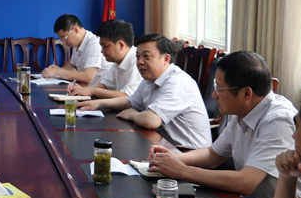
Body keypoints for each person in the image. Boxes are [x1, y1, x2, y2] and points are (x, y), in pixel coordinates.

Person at [146, 51, 301, 198]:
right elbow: (212, 155)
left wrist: (181, 171)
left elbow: (246, 182)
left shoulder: (279, 121)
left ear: (246, 94)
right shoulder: (243, 111)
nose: (214, 95)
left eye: (219, 89)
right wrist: (171, 159)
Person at [79, 33, 211, 149]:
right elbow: (130, 101)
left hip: (189, 153)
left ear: (166, 59)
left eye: (146, 56)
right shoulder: (150, 78)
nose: (140, 62)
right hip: (163, 144)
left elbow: (150, 120)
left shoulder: (177, 83)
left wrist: (133, 115)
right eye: (137, 56)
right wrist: (99, 103)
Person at [68, 19, 142, 99]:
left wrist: (93, 91)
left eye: (105, 46)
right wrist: (83, 90)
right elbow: (105, 84)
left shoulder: (137, 61)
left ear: (121, 45)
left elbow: (128, 96)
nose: (102, 51)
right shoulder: (117, 61)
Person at [41, 14, 109, 85]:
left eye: (64, 38)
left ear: (76, 30)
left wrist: (58, 71)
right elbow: (72, 66)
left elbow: (88, 77)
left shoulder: (94, 43)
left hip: (102, 89)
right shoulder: (77, 43)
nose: (64, 42)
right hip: (87, 88)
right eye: (61, 39)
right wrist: (57, 70)